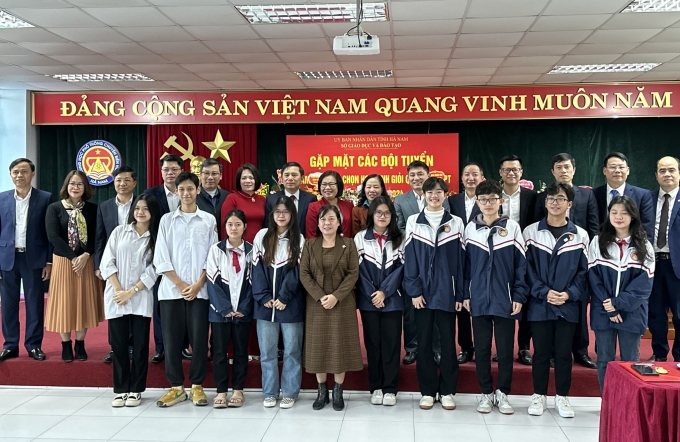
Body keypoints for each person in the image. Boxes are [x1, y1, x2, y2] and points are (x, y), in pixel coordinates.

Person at [461, 179, 527, 415]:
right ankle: (486, 393)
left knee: (505, 349)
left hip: (505, 299)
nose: (488, 203)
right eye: (483, 199)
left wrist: (519, 294)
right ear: (477, 202)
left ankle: (504, 393)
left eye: (492, 199)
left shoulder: (513, 228)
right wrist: (465, 293)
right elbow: (465, 267)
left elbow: (521, 266)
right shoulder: (470, 229)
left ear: (500, 201)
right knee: (481, 348)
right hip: (477, 298)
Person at [523, 183, 589, 418]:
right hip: (540, 304)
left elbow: (584, 272)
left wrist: (569, 293)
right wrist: (542, 291)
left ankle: (562, 397)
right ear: (545, 202)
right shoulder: (530, 232)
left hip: (567, 305)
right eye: (551, 198)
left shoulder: (580, 235)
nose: (555, 202)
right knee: (540, 352)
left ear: (569, 204)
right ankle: (538, 396)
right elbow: (526, 269)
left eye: (560, 199)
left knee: (563, 353)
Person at [153, 172, 218, 407]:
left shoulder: (209, 220)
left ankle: (198, 386)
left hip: (200, 292)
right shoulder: (167, 220)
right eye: (182, 189)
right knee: (172, 340)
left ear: (198, 190)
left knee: (200, 339)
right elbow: (161, 256)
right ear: (177, 192)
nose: (187, 193)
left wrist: (199, 283)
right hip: (171, 292)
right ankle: (176, 387)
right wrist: (180, 284)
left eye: (191, 188)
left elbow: (213, 257)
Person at [404, 176, 464, 411]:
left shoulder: (457, 223)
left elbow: (461, 263)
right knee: (425, 342)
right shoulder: (413, 222)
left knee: (448, 343)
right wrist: (414, 291)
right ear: (424, 195)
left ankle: (448, 390)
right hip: (423, 295)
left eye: (439, 192)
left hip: (447, 293)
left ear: (445, 195)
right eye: (430, 192)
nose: (434, 196)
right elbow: (410, 261)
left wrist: (459, 294)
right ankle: (428, 391)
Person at [535, 153, 598, 369]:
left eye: (567, 167)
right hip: (549, 257)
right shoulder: (544, 196)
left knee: (578, 307)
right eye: (559, 167)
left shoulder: (586, 195)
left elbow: (593, 226)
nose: (563, 170)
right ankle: (552, 352)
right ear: (552, 171)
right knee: (550, 307)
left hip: (577, 257)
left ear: (574, 170)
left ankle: (580, 351)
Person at [100, 194, 161, 408]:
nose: (140, 212)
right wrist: (119, 290)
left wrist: (132, 291)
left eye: (145, 208)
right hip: (117, 296)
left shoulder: (156, 237)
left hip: (141, 297)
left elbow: (155, 269)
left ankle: (136, 389)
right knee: (118, 345)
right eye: (137, 208)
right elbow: (107, 262)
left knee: (141, 345)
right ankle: (120, 389)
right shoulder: (119, 232)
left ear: (152, 212)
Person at [589, 195, 655, 389]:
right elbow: (594, 278)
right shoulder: (598, 242)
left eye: (624, 213)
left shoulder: (644, 246)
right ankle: (607, 402)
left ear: (633, 216)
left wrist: (617, 304)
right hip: (603, 310)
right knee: (604, 360)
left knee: (630, 362)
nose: (618, 216)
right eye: (614, 212)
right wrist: (609, 306)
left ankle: (628, 406)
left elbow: (643, 286)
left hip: (631, 312)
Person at [300, 205, 361, 411]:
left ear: (339, 222)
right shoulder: (309, 244)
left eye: (332, 219)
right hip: (316, 303)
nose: (327, 223)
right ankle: (321, 391)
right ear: (318, 223)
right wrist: (320, 296)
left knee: (338, 344)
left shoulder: (349, 244)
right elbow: (304, 274)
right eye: (323, 219)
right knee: (318, 345)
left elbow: (353, 274)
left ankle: (338, 391)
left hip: (341, 303)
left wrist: (336, 296)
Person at [394, 160, 450, 366]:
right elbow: (399, 228)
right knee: (411, 308)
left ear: (427, 175)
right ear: (407, 178)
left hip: (438, 262)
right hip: (412, 259)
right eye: (412, 175)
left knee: (435, 306)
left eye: (420, 174)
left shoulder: (440, 197)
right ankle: (412, 347)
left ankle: (436, 348)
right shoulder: (400, 200)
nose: (416, 178)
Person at [45, 170, 103, 362]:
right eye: (72, 184)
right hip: (63, 262)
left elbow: (97, 235)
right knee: (64, 303)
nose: (75, 187)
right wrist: (73, 258)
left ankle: (80, 343)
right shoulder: (54, 208)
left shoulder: (94, 209)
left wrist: (85, 255)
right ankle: (65, 345)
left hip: (86, 262)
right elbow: (53, 236)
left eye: (79, 184)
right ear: (66, 186)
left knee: (83, 302)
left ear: (85, 187)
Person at [253, 196, 305, 409]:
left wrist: (284, 297)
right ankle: (270, 392)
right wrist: (264, 297)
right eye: (278, 212)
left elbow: (297, 273)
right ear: (272, 214)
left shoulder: (299, 239)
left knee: (292, 351)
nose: (281, 215)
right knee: (267, 352)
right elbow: (255, 270)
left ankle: (290, 392)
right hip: (265, 306)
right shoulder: (262, 236)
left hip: (290, 305)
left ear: (292, 215)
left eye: (286, 212)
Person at [354, 196, 404, 406]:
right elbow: (357, 271)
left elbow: (402, 268)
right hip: (369, 301)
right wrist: (373, 294)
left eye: (386, 213)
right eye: (378, 213)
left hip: (393, 300)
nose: (382, 217)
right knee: (373, 345)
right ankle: (375, 387)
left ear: (392, 216)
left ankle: (391, 389)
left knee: (391, 345)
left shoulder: (400, 238)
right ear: (371, 215)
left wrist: (385, 292)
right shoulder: (359, 238)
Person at [0, 158, 52, 362]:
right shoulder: (2, 198)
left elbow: (49, 233)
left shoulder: (45, 198)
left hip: (34, 259)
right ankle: (10, 345)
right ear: (11, 175)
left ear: (33, 174)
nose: (19, 175)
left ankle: (33, 345)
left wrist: (49, 261)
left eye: (23, 171)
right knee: (9, 304)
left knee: (34, 304)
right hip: (7, 259)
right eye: (15, 172)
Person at [207, 209, 253, 408]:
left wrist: (243, 307)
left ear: (245, 227)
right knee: (219, 352)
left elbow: (255, 283)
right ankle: (221, 390)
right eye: (230, 225)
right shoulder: (216, 250)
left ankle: (238, 389)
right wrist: (225, 308)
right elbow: (211, 281)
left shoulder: (252, 251)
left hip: (243, 311)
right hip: (220, 312)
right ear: (224, 227)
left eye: (238, 224)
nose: (233, 228)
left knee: (241, 351)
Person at [94, 166, 137, 364]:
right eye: (119, 180)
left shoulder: (142, 204)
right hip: (112, 265)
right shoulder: (105, 206)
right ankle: (116, 347)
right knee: (115, 305)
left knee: (134, 304)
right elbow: (99, 238)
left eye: (127, 180)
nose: (122, 184)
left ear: (134, 183)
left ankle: (133, 346)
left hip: (137, 263)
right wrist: (98, 265)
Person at [144, 154, 184, 363]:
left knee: (185, 302)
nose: (170, 173)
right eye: (166, 169)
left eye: (174, 169)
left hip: (186, 257)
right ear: (161, 172)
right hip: (160, 257)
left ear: (181, 171)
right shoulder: (150, 195)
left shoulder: (189, 192)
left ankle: (183, 345)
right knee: (160, 304)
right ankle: (161, 346)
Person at [499, 155, 538, 366]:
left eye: (515, 169)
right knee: (502, 300)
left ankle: (523, 347)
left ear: (521, 172)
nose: (511, 173)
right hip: (499, 256)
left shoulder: (532, 197)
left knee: (525, 300)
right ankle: (502, 347)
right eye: (507, 170)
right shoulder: (493, 196)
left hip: (526, 254)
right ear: (500, 173)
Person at [447, 162, 485, 366]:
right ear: (461, 178)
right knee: (461, 304)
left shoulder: (488, 200)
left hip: (481, 256)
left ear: (482, 178)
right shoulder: (452, 201)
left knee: (481, 306)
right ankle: (466, 347)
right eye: (467, 174)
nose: (471, 178)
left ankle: (483, 347)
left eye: (475, 174)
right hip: (458, 258)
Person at [647, 156, 680, 362]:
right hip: (653, 264)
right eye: (662, 170)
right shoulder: (647, 199)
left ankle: (679, 355)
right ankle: (659, 354)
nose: (667, 174)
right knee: (656, 313)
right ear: (656, 175)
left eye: (672, 170)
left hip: (677, 266)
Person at [593, 152, 655, 241]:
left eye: (621, 167)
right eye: (613, 167)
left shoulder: (642, 195)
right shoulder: (594, 194)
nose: (617, 171)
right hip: (601, 245)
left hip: (632, 247)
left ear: (628, 170)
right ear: (604, 171)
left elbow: (647, 227)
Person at [264, 162, 317, 235]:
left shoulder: (310, 199)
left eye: (294, 175)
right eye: (286, 175)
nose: (290, 178)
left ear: (302, 178)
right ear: (281, 178)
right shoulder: (271, 199)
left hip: (303, 243)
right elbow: (268, 225)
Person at [221, 163, 265, 244]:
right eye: (244, 178)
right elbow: (225, 226)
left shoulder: (262, 199)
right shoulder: (232, 198)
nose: (247, 181)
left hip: (260, 246)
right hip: (239, 247)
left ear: (256, 180)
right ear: (239, 181)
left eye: (251, 178)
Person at [305, 170, 353, 239]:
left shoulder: (349, 206)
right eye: (324, 184)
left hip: (346, 247)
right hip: (322, 248)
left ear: (338, 185)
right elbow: (311, 235)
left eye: (331, 184)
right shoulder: (313, 207)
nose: (327, 188)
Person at [196, 158, 229, 228]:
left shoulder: (227, 197)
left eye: (214, 174)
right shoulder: (191, 197)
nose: (210, 177)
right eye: (207, 173)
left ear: (220, 176)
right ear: (201, 175)